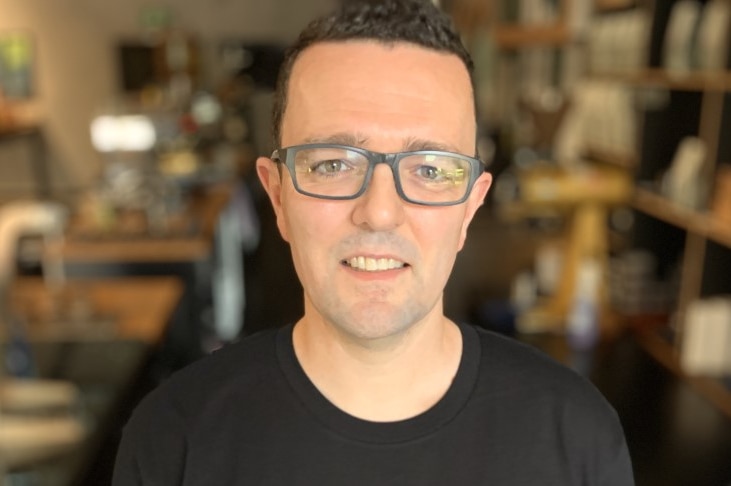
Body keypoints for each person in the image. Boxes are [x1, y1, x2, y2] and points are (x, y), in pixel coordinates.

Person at [112, 1, 634, 484]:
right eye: (334, 164)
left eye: (430, 169)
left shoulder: (578, 436)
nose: (380, 212)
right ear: (277, 197)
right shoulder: (172, 439)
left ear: (470, 208)